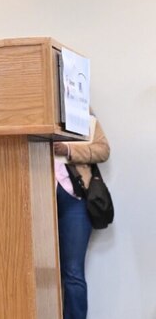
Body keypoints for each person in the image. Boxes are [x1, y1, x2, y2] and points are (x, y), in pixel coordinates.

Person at [53, 114, 110, 319]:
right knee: (35, 271)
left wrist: (69, 150)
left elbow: (103, 149)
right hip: (32, 198)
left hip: (74, 200)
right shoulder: (29, 103)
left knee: (73, 272)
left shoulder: (79, 107)